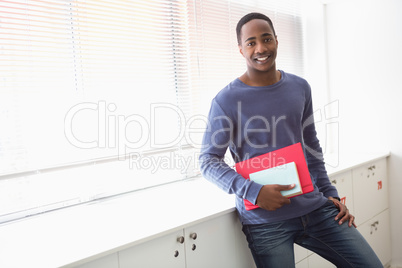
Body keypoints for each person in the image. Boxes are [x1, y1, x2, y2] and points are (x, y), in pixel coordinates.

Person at [199, 12, 382, 268]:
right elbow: (207, 161)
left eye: (266, 39)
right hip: (265, 220)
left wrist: (332, 195)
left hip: (315, 208)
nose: (261, 48)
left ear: (276, 40)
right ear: (241, 50)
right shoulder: (226, 101)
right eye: (251, 43)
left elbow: (311, 147)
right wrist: (254, 192)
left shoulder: (300, 87)